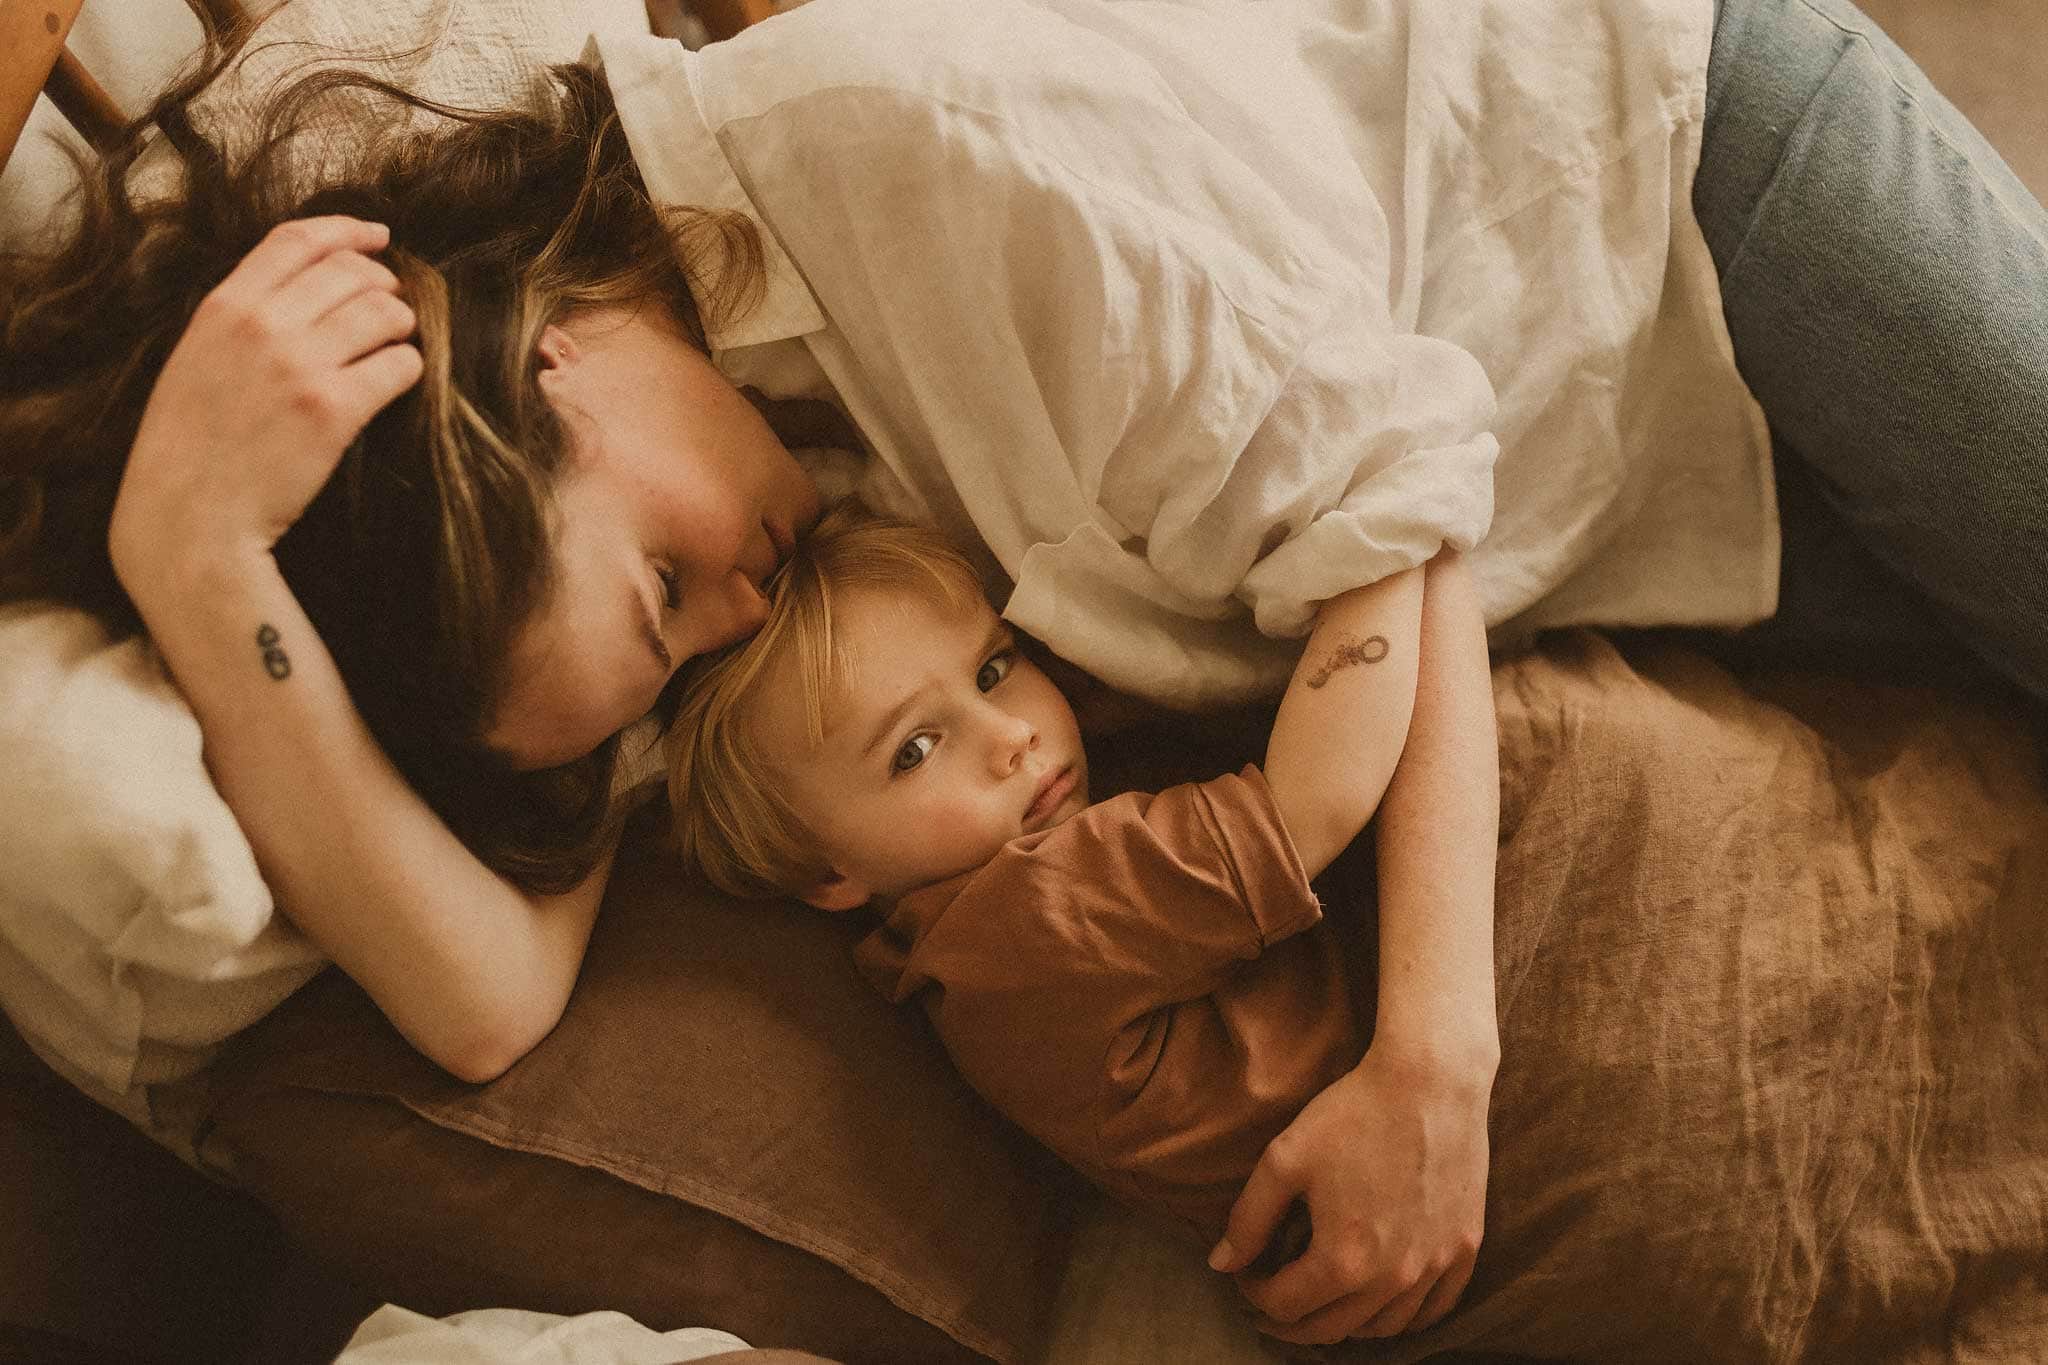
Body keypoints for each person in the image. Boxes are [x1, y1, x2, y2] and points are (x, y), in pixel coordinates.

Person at [1, 0, 2042, 1345]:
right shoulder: (690, 517)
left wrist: (1437, 1061)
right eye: (653, 668)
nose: (713, 643)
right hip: (1615, 499)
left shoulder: (930, 167)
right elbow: (489, 992)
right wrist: (197, 564)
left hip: (1665, 194)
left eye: (660, 598)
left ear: (559, 348)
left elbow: (1399, 493)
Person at [663, 504, 1495, 1273]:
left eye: (993, 669)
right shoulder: (1027, 916)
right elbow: (1316, 803)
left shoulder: (956, 968)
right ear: (826, 873)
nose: (1012, 736)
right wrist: (1391, 515)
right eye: (914, 750)